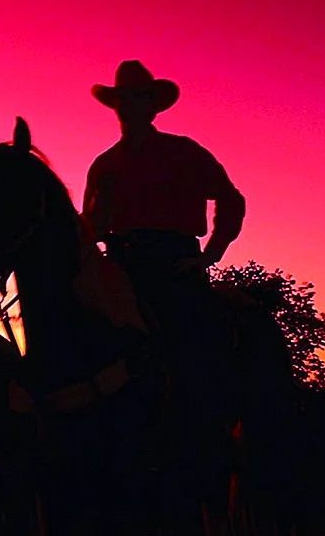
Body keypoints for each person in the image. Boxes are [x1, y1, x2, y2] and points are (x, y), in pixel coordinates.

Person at [81, 59, 246, 418]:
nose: (131, 106)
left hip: (173, 262)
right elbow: (90, 228)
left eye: (140, 98)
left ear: (152, 106)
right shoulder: (103, 164)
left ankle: (208, 418)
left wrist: (209, 255)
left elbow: (230, 200)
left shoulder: (185, 152)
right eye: (125, 99)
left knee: (192, 348)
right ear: (116, 106)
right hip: (118, 264)